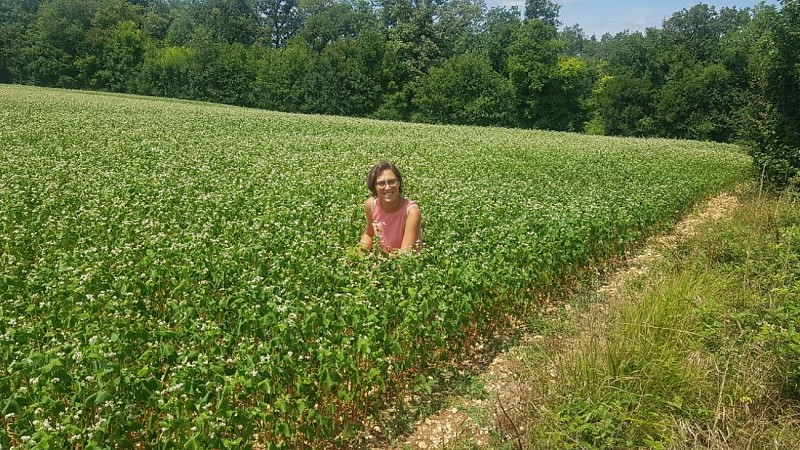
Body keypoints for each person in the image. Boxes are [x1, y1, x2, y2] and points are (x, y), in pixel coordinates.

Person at [358, 161, 422, 253]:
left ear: (399, 183)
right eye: (381, 183)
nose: (387, 187)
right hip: (381, 262)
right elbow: (369, 234)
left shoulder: (411, 212)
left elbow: (406, 254)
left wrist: (375, 261)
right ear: (374, 187)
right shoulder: (371, 205)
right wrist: (357, 255)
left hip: (406, 264)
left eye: (392, 182)